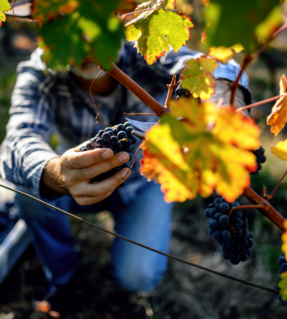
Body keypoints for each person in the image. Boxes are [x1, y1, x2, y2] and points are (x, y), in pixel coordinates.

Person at [0, 40, 251, 313]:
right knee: (28, 188)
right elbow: (18, 140)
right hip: (75, 182)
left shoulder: (146, 44)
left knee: (138, 276)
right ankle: (64, 276)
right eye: (73, 29)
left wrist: (226, 97)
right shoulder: (43, 68)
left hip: (143, 183)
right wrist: (54, 173)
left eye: (95, 26)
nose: (86, 44)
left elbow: (219, 65)